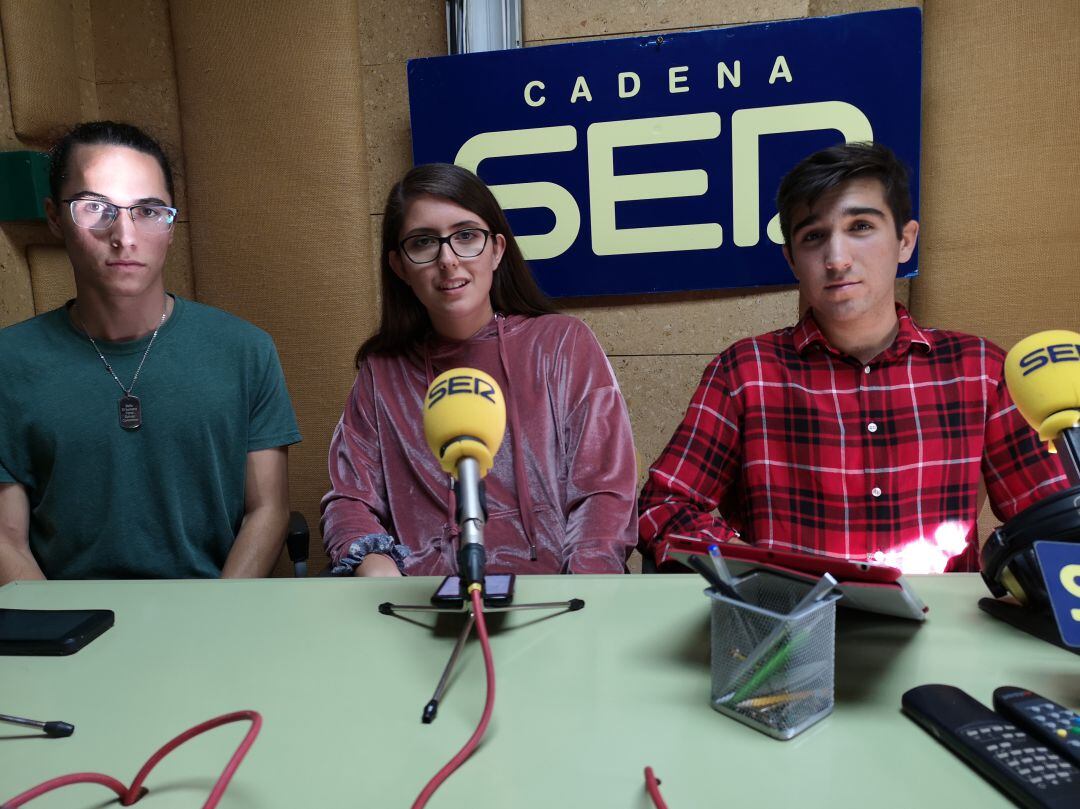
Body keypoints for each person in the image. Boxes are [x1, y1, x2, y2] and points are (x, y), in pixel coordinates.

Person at [638, 142, 1068, 574]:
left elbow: (1053, 527)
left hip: (942, 630)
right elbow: (662, 507)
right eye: (813, 237)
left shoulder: (980, 369)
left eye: (860, 226)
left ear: (905, 240)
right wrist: (754, 570)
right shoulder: (746, 372)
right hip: (791, 625)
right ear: (791, 260)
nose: (837, 259)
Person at [0, 121, 301, 583]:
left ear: (172, 225)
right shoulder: (10, 362)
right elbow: (7, 538)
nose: (124, 235)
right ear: (55, 218)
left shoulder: (245, 351)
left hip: (213, 616)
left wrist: (218, 618)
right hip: (71, 626)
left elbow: (268, 510)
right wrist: (60, 632)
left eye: (148, 211)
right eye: (95, 208)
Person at [321, 163, 637, 576]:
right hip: (424, 605)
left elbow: (604, 491)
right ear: (400, 267)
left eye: (466, 236)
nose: (448, 260)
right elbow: (349, 498)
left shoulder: (561, 343)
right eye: (423, 243)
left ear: (497, 249)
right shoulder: (382, 373)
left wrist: (581, 591)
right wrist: (372, 561)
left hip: (554, 601)